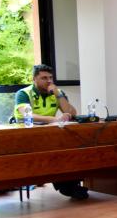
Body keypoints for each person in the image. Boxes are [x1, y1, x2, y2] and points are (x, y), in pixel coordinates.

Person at [13, 64, 88, 199]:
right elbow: (27, 115)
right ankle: (67, 186)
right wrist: (54, 119)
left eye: (50, 78)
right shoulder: (23, 93)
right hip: (26, 134)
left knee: (71, 149)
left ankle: (70, 185)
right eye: (44, 78)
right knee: (53, 153)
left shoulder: (57, 92)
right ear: (34, 79)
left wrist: (58, 94)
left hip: (49, 134)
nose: (49, 81)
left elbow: (71, 113)